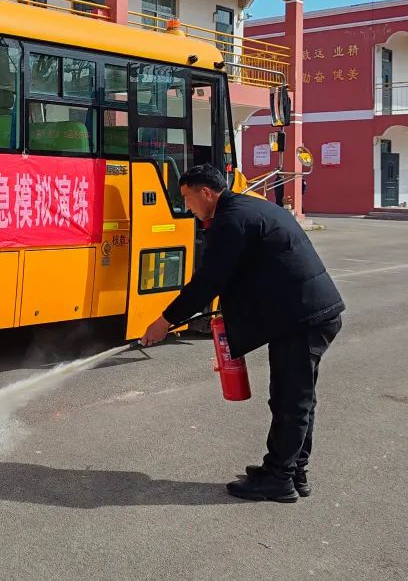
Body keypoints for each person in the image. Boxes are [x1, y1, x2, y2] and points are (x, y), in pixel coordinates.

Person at [140, 163, 344, 503]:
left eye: (188, 199)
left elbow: (207, 282)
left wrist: (164, 322)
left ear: (207, 193)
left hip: (303, 317)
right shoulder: (249, 207)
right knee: (295, 398)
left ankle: (280, 479)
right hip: (302, 313)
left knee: (292, 400)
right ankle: (291, 470)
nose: (187, 207)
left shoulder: (231, 220)